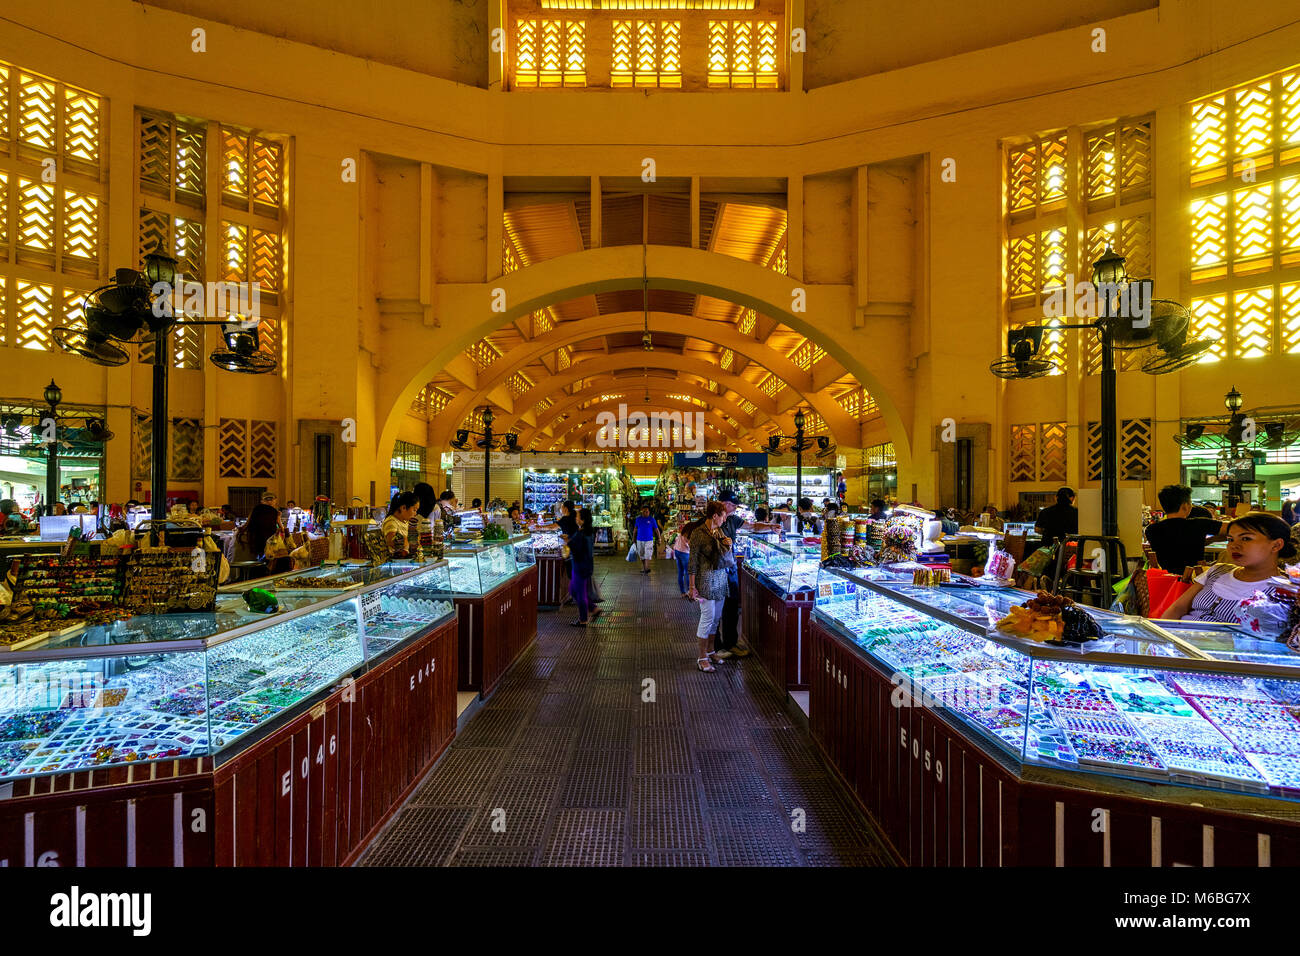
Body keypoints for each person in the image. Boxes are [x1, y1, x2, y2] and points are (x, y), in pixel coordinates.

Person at [1161, 514, 1295, 637]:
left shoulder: (1286, 591)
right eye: (1230, 539)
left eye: (1246, 538)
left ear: (1276, 545)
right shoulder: (1217, 570)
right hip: (1178, 645)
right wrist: (1160, 639)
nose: (1233, 546)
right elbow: (1177, 608)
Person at [687, 502, 733, 672]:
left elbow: (724, 555)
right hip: (705, 580)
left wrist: (729, 544)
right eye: (723, 515)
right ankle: (702, 657)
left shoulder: (719, 531)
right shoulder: (698, 534)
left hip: (720, 579)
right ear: (715, 515)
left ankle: (711, 650)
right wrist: (692, 587)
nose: (725, 518)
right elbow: (692, 562)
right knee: (707, 618)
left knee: (716, 619)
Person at [1144, 484, 1229, 575]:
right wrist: (1211, 539)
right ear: (1185, 505)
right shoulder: (1199, 524)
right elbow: (1236, 528)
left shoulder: (1151, 529)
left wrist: (1207, 540)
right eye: (1190, 503)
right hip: (1193, 581)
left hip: (1165, 580)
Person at [715, 490, 751, 659]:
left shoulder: (733, 519)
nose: (735, 508)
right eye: (733, 505)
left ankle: (730, 643)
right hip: (717, 571)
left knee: (731, 606)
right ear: (723, 504)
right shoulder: (712, 521)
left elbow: (751, 526)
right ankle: (715, 648)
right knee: (714, 611)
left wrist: (770, 527)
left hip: (730, 569)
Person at [567, 507, 598, 627]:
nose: (576, 518)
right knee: (574, 591)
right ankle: (593, 608)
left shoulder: (582, 533)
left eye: (577, 516)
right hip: (585, 565)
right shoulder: (588, 532)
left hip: (580, 566)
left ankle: (583, 619)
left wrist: (568, 542)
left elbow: (577, 548)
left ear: (583, 520)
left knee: (579, 593)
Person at [231, 503, 280, 577]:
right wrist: (280, 526)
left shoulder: (242, 533)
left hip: (234, 577)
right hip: (248, 582)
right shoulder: (255, 538)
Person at [382, 491, 419, 557]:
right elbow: (393, 542)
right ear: (403, 508)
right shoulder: (391, 522)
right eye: (414, 510)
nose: (415, 513)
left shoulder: (405, 522)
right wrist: (405, 541)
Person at [633, 504, 660, 574]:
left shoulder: (652, 519)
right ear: (641, 512)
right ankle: (645, 567)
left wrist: (659, 538)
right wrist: (633, 539)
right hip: (639, 539)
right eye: (644, 511)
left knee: (647, 554)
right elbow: (635, 530)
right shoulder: (638, 519)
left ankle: (645, 568)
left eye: (647, 511)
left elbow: (656, 530)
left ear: (649, 512)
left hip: (649, 540)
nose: (646, 513)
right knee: (641, 554)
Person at [671, 515, 692, 599]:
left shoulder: (682, 532)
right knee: (687, 572)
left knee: (680, 572)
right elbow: (690, 544)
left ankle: (682, 592)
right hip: (684, 553)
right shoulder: (689, 534)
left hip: (677, 551)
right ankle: (688, 592)